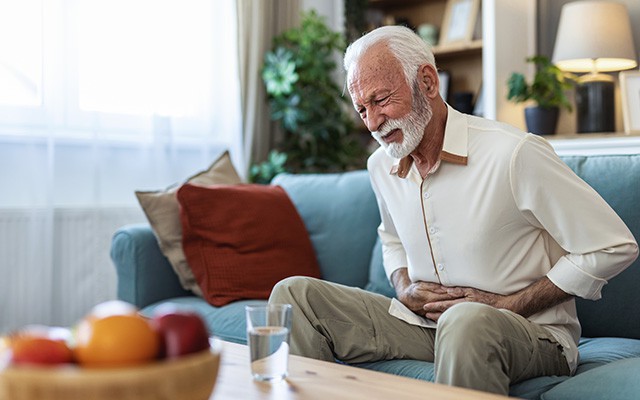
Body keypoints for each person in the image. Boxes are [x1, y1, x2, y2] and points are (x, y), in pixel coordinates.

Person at [269, 25, 638, 395]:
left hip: (531, 334)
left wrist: (508, 305)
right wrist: (403, 287)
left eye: (381, 100)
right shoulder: (380, 165)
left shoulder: (514, 153)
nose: (373, 123)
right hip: (424, 326)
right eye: (361, 108)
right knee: (294, 296)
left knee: (465, 322)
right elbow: (392, 239)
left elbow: (613, 245)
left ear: (428, 82)